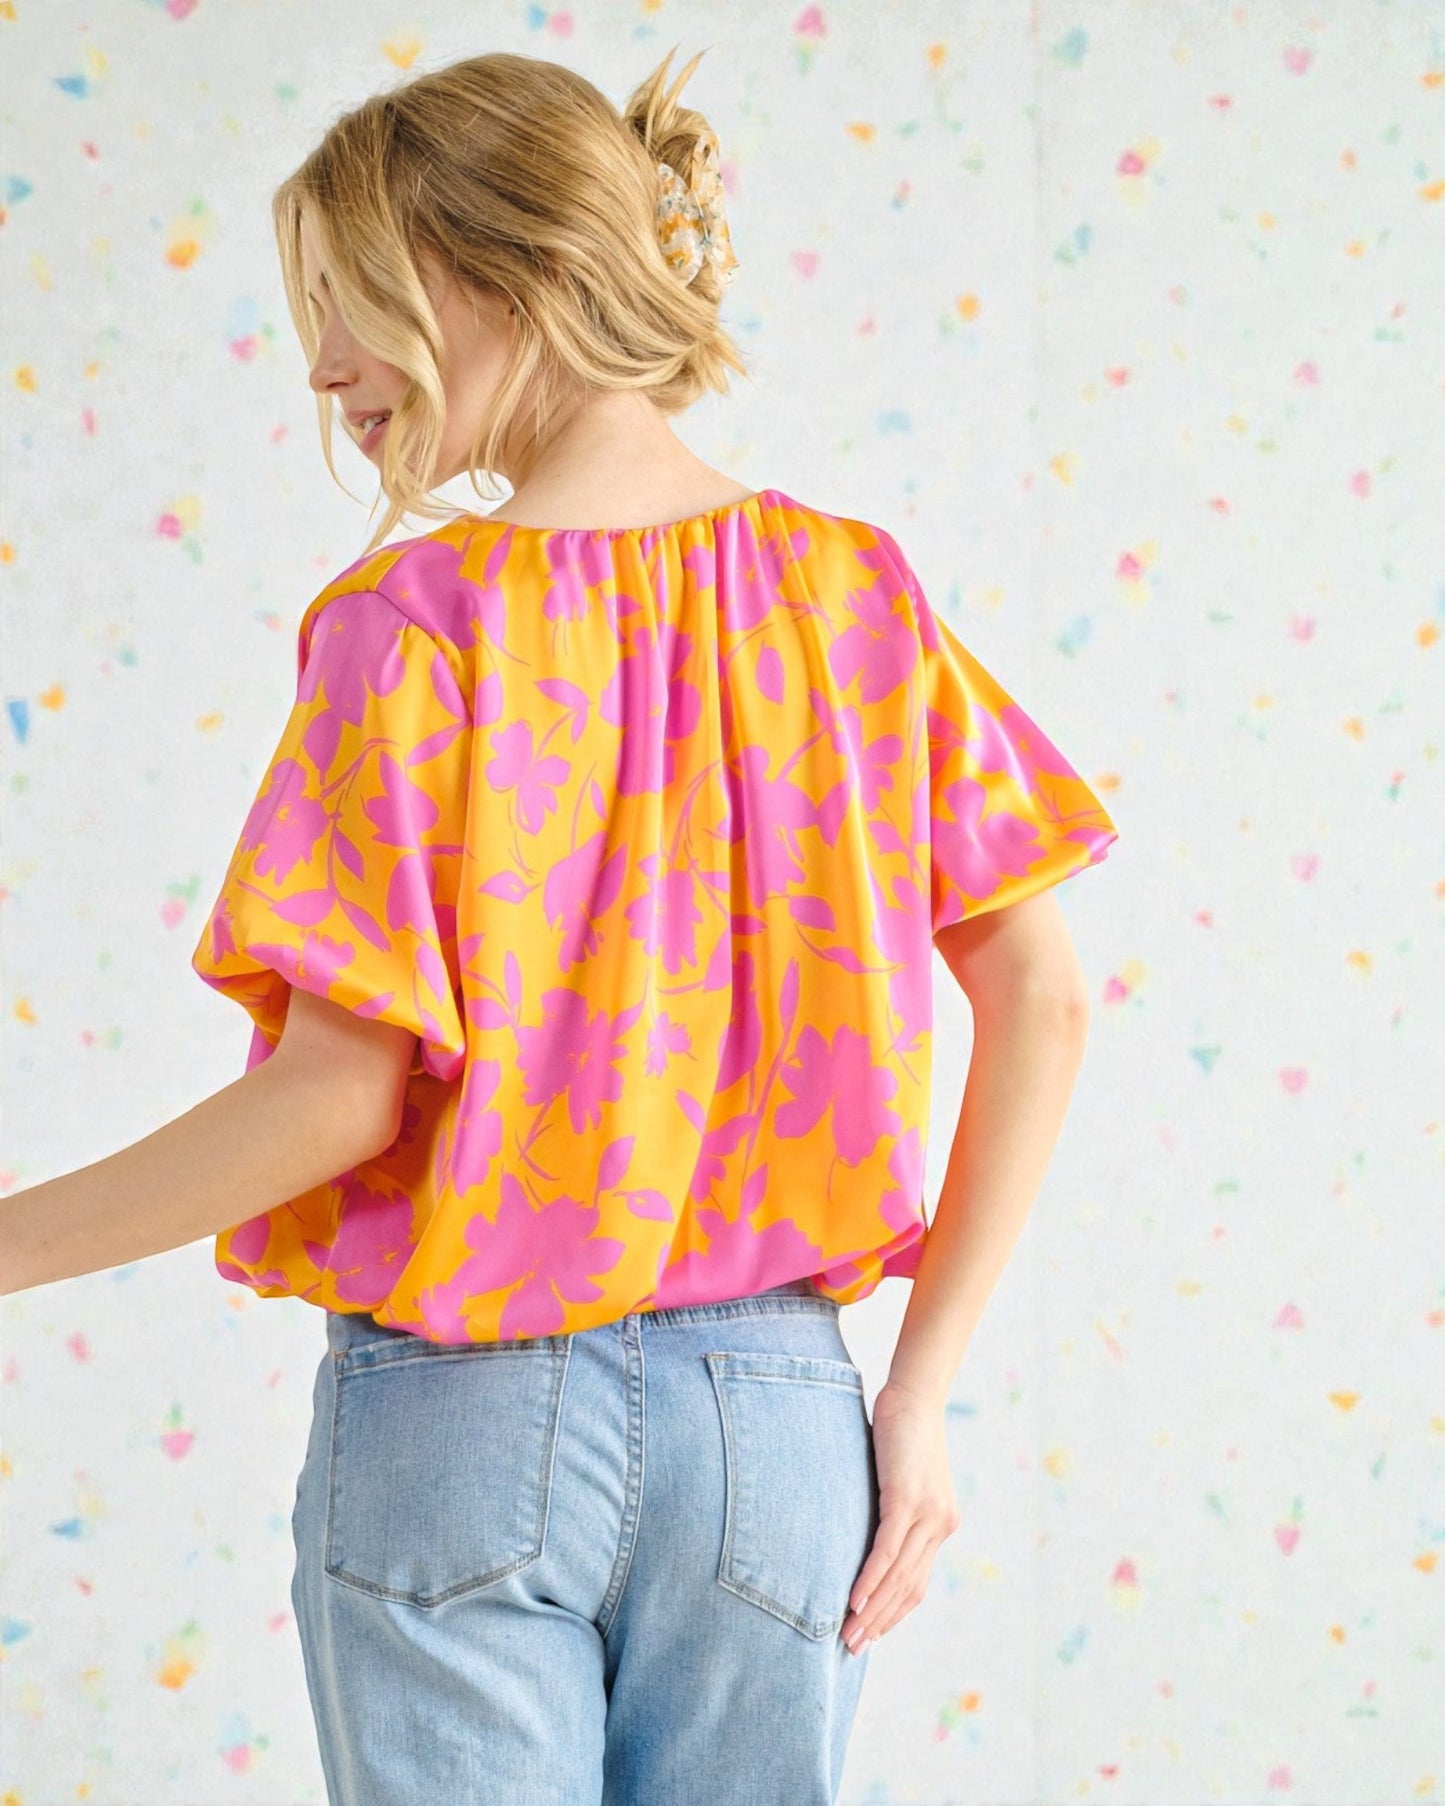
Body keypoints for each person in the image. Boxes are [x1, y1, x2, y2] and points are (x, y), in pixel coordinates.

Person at [1, 44, 1119, 1806]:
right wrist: (916, 1391)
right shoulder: (851, 597)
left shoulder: (416, 627)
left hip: (465, 1426)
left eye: (348, 296)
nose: (321, 364)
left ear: (500, 272)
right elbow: (1040, 989)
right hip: (778, 1430)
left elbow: (335, 1095)